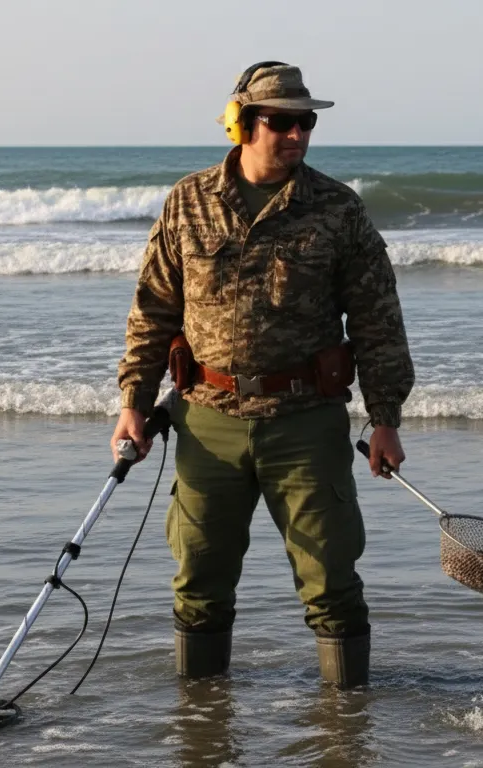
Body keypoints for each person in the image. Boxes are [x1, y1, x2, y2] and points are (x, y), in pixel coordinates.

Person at [112, 62, 414, 688]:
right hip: (206, 420)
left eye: (307, 122)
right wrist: (133, 403)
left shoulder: (337, 209)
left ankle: (346, 725)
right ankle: (200, 722)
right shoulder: (189, 202)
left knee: (331, 578)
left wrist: (385, 420)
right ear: (244, 123)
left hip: (304, 422)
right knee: (198, 578)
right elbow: (153, 311)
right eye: (284, 121)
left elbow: (378, 320)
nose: (299, 133)